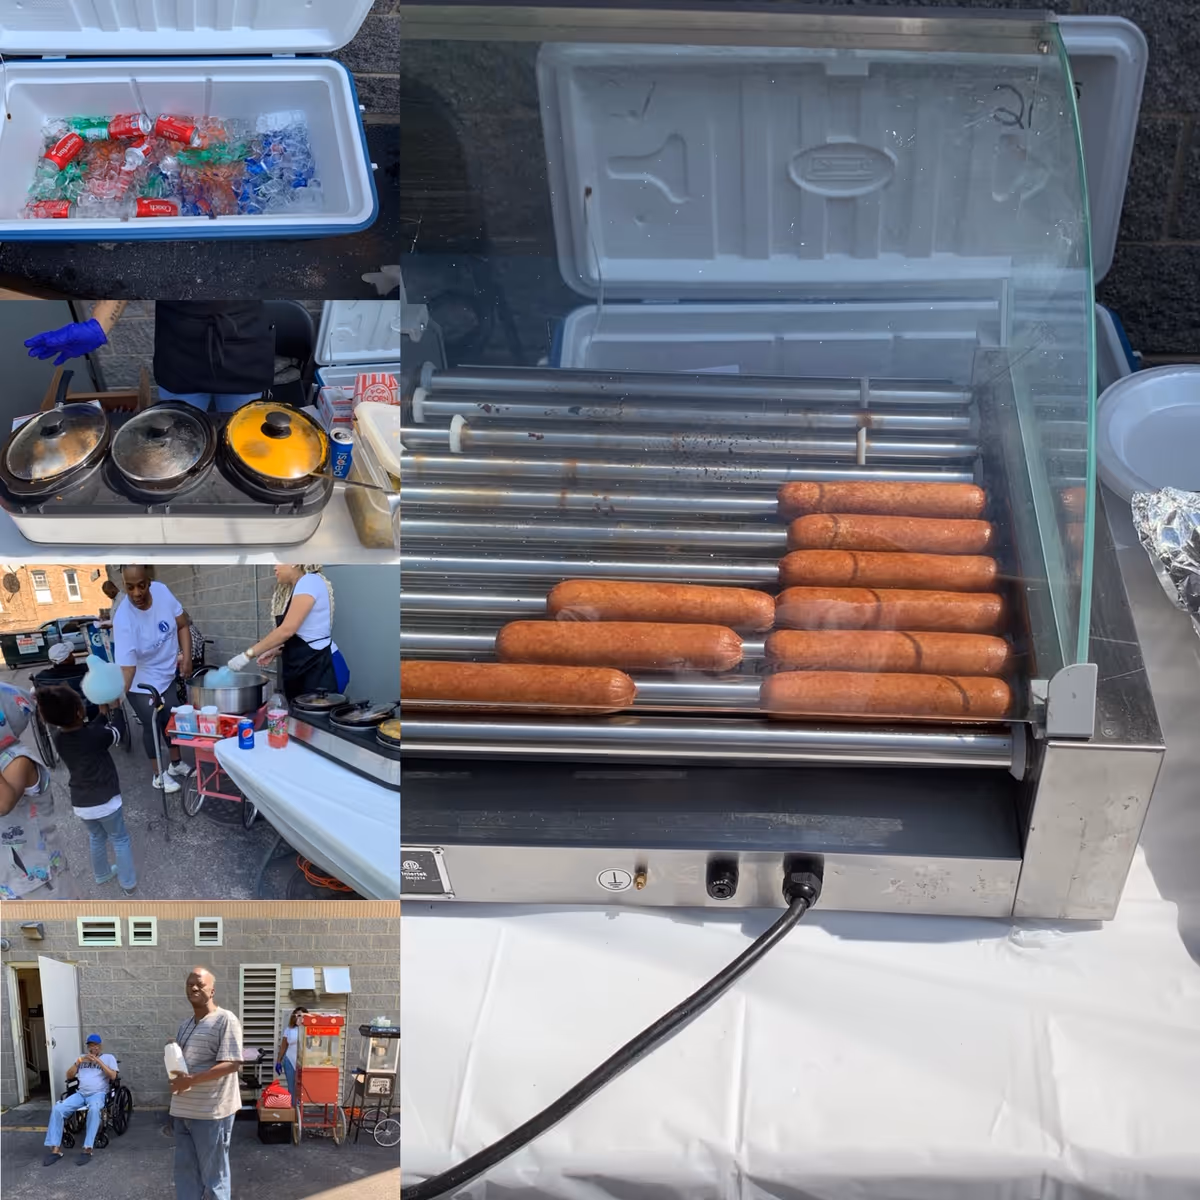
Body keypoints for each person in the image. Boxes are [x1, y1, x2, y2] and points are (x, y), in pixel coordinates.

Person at [25, 301, 274, 414]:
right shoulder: (164, 213)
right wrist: (98, 325)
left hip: (244, 346)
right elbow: (131, 269)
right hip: (179, 351)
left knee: (240, 437)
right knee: (180, 435)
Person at [38, 684, 136, 896]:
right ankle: (128, 883)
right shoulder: (95, 737)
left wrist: (102, 714)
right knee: (120, 839)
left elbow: (88, 731)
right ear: (78, 712)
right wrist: (116, 709)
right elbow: (117, 731)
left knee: (96, 837)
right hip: (106, 801)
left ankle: (102, 874)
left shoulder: (58, 737)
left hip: (82, 803)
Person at [112, 566, 193, 793]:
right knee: (151, 722)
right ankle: (158, 775)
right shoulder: (124, 619)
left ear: (149, 581)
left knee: (171, 719)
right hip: (140, 680)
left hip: (166, 673)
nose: (136, 593)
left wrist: (187, 657)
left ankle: (176, 763)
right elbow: (127, 669)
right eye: (129, 587)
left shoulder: (162, 591)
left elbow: (182, 624)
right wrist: (117, 698)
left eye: (141, 585)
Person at [169, 967, 244, 1200]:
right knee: (185, 1174)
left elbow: (232, 1064)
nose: (193, 987)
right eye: (189, 984)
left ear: (212, 990)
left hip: (211, 1114)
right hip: (183, 1110)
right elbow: (185, 1065)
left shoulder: (225, 1020)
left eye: (199, 984)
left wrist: (191, 1080)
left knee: (215, 1177)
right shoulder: (185, 1025)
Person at [227, 565, 342, 700]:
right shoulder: (299, 587)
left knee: (314, 712)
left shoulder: (309, 581)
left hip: (320, 669)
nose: (274, 568)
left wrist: (247, 655)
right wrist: (275, 651)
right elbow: (304, 634)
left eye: (278, 562)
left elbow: (287, 630)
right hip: (305, 668)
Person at [0, 682, 71, 899]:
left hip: (39, 877)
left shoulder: (17, 759)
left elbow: (3, 804)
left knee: (59, 919)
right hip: (10, 877)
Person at [43, 1033, 119, 1167]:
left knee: (94, 1109)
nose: (93, 1048)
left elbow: (113, 1076)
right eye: (91, 1045)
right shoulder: (81, 1058)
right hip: (81, 1094)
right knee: (58, 1109)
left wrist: (99, 1062)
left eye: (96, 1045)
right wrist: (78, 1062)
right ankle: (55, 1150)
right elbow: (69, 1076)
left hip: (98, 1094)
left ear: (100, 1046)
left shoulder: (108, 1058)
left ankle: (88, 1149)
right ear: (88, 1047)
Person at [275, 1007, 308, 1106]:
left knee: (303, 1087)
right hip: (289, 1060)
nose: (300, 1018)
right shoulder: (289, 1030)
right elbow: (283, 1046)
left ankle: (301, 1109)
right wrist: (278, 1061)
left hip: (304, 1062)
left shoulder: (308, 1030)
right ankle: (293, 1110)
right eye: (298, 1015)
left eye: (302, 1016)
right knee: (292, 1087)